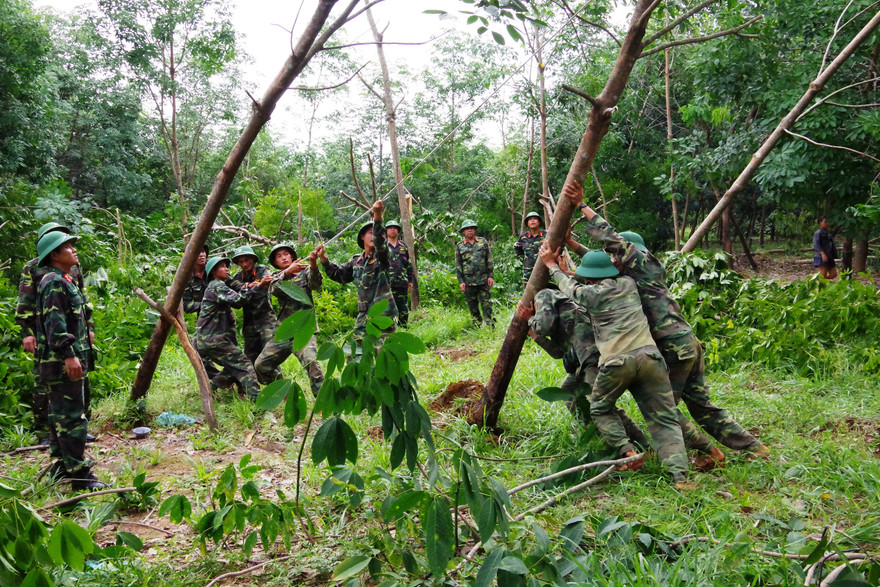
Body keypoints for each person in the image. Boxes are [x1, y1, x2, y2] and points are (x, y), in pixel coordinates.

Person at [563, 180, 770, 465]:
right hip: (686, 342)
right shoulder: (637, 272)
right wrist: (571, 243)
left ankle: (701, 455)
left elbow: (610, 242)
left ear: (629, 251)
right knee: (700, 405)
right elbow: (599, 262)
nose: (613, 258)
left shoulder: (641, 264)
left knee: (662, 409)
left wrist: (582, 206)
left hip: (671, 347)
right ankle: (752, 446)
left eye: (617, 253)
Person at [539, 244, 691, 486]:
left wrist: (551, 266)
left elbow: (572, 289)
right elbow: (587, 279)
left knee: (600, 408)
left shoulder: (590, 295)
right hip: (651, 357)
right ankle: (681, 478)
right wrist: (569, 268)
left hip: (617, 362)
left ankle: (627, 450)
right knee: (664, 418)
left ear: (589, 277)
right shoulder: (629, 283)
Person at [516, 290, 649, 454]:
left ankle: (639, 443)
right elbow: (558, 353)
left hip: (593, 355)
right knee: (568, 392)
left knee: (601, 403)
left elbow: (544, 325)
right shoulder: (554, 310)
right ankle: (600, 433)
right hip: (583, 358)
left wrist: (529, 318)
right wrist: (535, 336)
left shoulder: (544, 294)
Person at [35, 231, 107, 490]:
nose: (74, 250)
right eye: (67, 247)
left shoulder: (62, 279)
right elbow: (55, 325)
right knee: (73, 418)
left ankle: (62, 465)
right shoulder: (54, 282)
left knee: (59, 415)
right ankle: (79, 475)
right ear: (54, 255)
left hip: (62, 360)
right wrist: (69, 355)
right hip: (61, 362)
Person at [16, 222, 96, 445]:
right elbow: (26, 302)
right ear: (51, 250)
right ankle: (46, 432)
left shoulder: (72, 268)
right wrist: (27, 332)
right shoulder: (37, 270)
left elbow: (83, 300)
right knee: (48, 382)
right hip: (51, 336)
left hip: (74, 335)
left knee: (80, 380)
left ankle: (79, 426)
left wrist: (88, 327)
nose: (71, 247)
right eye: (64, 243)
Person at [317, 200, 398, 339]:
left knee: (382, 353)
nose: (374, 236)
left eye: (376, 233)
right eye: (370, 233)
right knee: (355, 354)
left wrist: (377, 215)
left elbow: (380, 241)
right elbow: (339, 275)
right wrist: (323, 258)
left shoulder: (382, 255)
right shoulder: (356, 261)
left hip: (383, 313)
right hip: (364, 317)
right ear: (362, 236)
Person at [195, 256, 272, 400]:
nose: (226, 269)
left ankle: (211, 389)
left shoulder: (217, 286)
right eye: (222, 267)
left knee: (232, 367)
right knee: (245, 366)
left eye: (226, 266)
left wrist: (249, 286)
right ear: (213, 272)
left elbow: (237, 293)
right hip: (214, 340)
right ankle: (259, 402)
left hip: (208, 340)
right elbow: (238, 301)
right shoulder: (216, 285)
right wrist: (258, 286)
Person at [254, 244, 325, 396]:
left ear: (292, 256)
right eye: (279, 256)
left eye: (286, 254)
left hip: (304, 329)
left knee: (311, 362)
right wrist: (286, 273)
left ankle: (322, 400)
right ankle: (282, 390)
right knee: (261, 364)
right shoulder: (275, 276)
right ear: (276, 263)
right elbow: (274, 290)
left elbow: (316, 285)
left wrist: (313, 264)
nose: (283, 257)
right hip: (285, 330)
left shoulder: (305, 271)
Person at [231, 245, 277, 368]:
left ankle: (278, 382)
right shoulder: (237, 277)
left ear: (253, 259)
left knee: (269, 355)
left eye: (247, 260)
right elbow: (235, 293)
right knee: (250, 357)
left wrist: (253, 286)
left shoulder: (262, 270)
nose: (244, 264)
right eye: (241, 262)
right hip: (249, 322)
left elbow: (270, 280)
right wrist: (251, 286)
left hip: (266, 320)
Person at [455, 219, 494, 325]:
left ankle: (491, 326)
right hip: (469, 281)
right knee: (473, 306)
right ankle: (477, 326)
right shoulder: (459, 246)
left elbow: (489, 259)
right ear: (463, 231)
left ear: (475, 230)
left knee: (487, 304)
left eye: (472, 228)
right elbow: (458, 265)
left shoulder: (482, 242)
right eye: (467, 229)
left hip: (483, 280)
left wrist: (490, 276)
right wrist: (461, 281)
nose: (469, 231)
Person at [384, 220, 414, 326]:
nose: (393, 230)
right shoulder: (382, 246)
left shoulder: (403, 246)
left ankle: (403, 328)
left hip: (402, 282)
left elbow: (408, 264)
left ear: (398, 231)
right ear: (386, 230)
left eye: (395, 228)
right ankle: (389, 330)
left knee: (403, 308)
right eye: (390, 228)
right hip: (387, 283)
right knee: (387, 308)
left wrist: (410, 281)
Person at [514, 212, 546, 284]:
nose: (532, 221)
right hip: (528, 270)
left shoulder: (546, 235)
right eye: (530, 219)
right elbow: (517, 248)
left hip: (543, 269)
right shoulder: (523, 237)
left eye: (535, 219)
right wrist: (525, 258)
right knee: (528, 290)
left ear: (539, 222)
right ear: (527, 223)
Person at [182, 244, 211, 315]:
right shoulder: (187, 277)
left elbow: (230, 283)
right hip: (204, 318)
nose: (201, 255)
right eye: (197, 252)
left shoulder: (213, 268)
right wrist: (204, 305)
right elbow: (184, 304)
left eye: (203, 251)